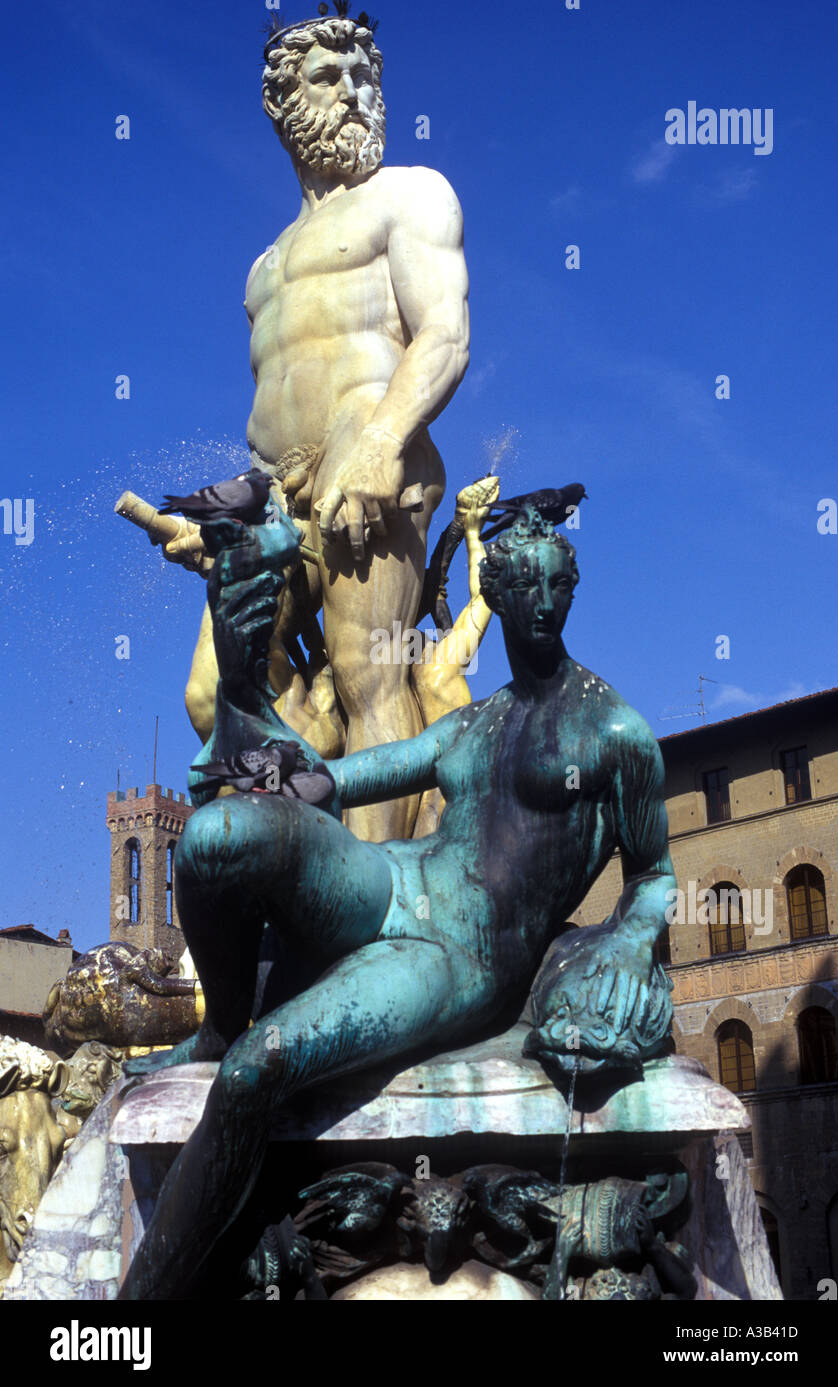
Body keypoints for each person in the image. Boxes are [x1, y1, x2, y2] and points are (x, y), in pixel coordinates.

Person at [119, 508, 676, 1299]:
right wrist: (267, 770)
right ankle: (215, 1025)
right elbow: (344, 779)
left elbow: (654, 875)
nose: (544, 602)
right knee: (216, 837)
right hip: (393, 878)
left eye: (558, 585)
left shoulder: (616, 733)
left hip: (455, 954)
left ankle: (129, 1320)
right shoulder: (476, 723)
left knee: (256, 1072)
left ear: (572, 591)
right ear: (498, 592)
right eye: (525, 585)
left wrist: (629, 939)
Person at [168, 10, 470, 840]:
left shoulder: (409, 193)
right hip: (277, 489)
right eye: (329, 78)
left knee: (370, 674)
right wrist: (217, 524)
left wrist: (380, 442)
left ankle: (381, 903)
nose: (354, 93)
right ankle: (315, 846)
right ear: (282, 103)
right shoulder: (261, 268)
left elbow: (445, 336)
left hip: (369, 444)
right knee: (214, 693)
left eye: (363, 76)